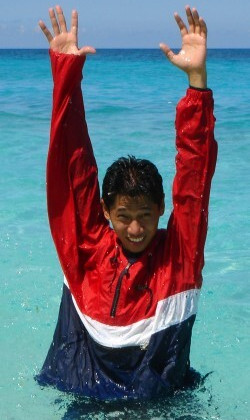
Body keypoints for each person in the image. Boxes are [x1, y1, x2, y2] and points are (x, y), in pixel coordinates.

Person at [36, 5, 217, 399]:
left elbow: (195, 179)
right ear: (105, 211)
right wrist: (66, 74)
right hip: (83, 397)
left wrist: (197, 82)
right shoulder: (85, 252)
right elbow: (71, 168)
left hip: (161, 406)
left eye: (145, 216)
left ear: (162, 210)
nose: (135, 229)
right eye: (123, 217)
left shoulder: (179, 260)